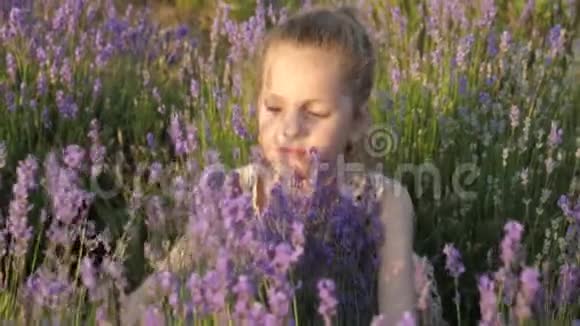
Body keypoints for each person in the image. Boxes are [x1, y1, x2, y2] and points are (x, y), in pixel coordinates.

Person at [122, 6, 446, 326]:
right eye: (274, 107)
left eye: (315, 113)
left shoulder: (384, 201)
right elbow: (166, 277)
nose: (289, 128)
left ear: (357, 121)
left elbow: (396, 313)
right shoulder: (235, 190)